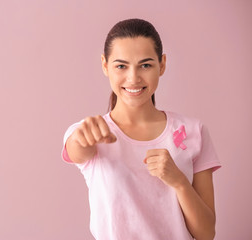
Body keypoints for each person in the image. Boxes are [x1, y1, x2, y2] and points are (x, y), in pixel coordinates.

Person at [61, 18, 221, 240]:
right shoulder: (89, 134)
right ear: (105, 66)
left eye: (145, 65)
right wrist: (80, 138)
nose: (133, 78)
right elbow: (77, 147)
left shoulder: (194, 131)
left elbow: (206, 234)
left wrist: (180, 182)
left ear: (162, 64)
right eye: (121, 66)